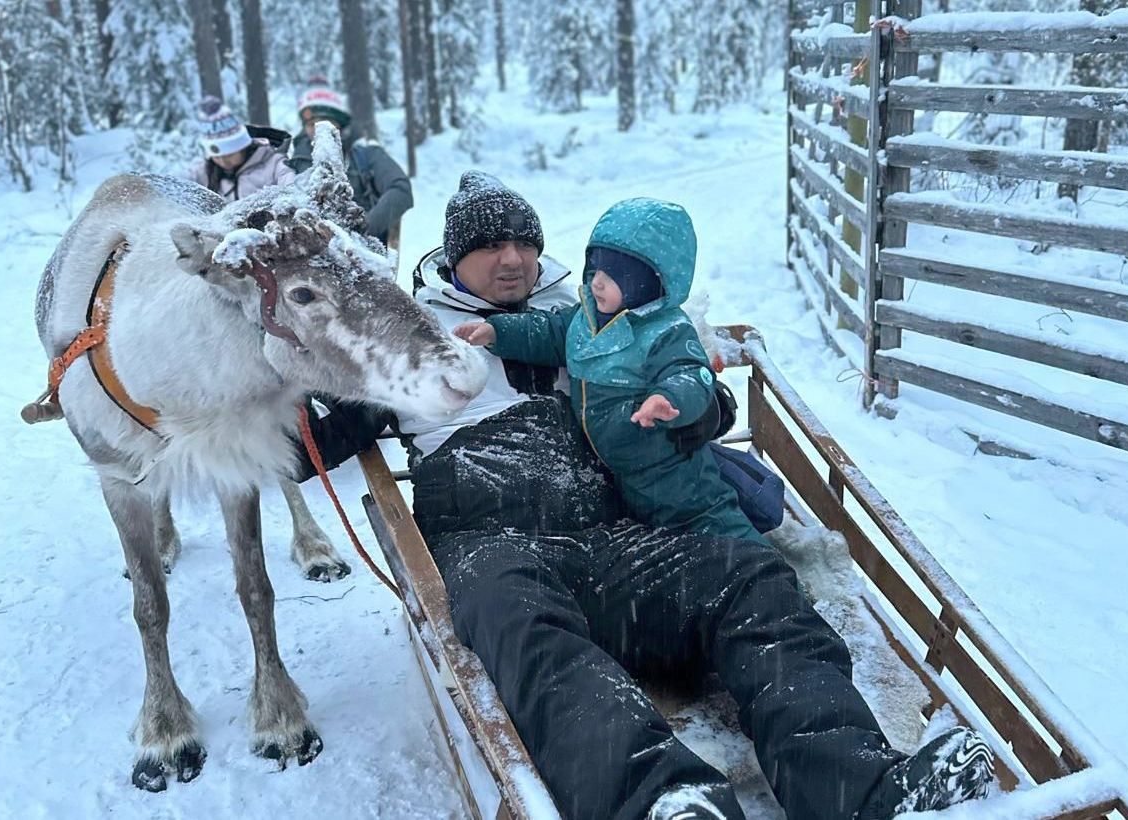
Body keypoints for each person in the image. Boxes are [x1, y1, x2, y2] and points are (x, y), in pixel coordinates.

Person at [298, 173, 995, 820]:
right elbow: (311, 445)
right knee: (522, 624)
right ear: (455, 256)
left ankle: (862, 788)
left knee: (747, 576)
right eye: (488, 245)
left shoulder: (596, 317)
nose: (511, 259)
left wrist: (695, 414)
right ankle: (665, 801)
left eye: (523, 243)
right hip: (493, 541)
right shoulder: (404, 334)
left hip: (610, 536)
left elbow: (698, 386)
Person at [454, 195, 762, 543]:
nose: (597, 282)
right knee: (669, 538)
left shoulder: (666, 331)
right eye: (595, 269)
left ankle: (778, 583)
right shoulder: (586, 317)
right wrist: (498, 332)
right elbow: (549, 332)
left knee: (714, 525)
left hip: (669, 467)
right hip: (623, 474)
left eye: (613, 276)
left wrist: (667, 398)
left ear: (647, 283)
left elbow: (689, 373)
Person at [287, 77, 412, 249]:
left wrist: (363, 230)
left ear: (339, 123)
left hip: (361, 254)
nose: (317, 129)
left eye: (325, 122)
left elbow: (401, 190)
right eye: (310, 123)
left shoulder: (366, 154)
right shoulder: (295, 160)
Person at [187, 96, 295, 200]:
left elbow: (292, 190)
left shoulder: (274, 164)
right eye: (217, 157)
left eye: (229, 154)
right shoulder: (206, 171)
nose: (223, 161)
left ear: (243, 146)